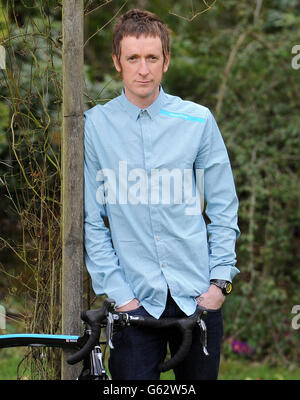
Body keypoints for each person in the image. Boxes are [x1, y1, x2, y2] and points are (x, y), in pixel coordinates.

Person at [83, 9, 240, 380]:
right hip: (134, 303)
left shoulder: (198, 121)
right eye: (133, 58)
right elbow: (92, 220)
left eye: (152, 58)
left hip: (197, 297)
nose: (143, 69)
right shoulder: (95, 127)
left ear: (166, 61)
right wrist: (121, 296)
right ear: (116, 62)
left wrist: (219, 283)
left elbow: (222, 206)